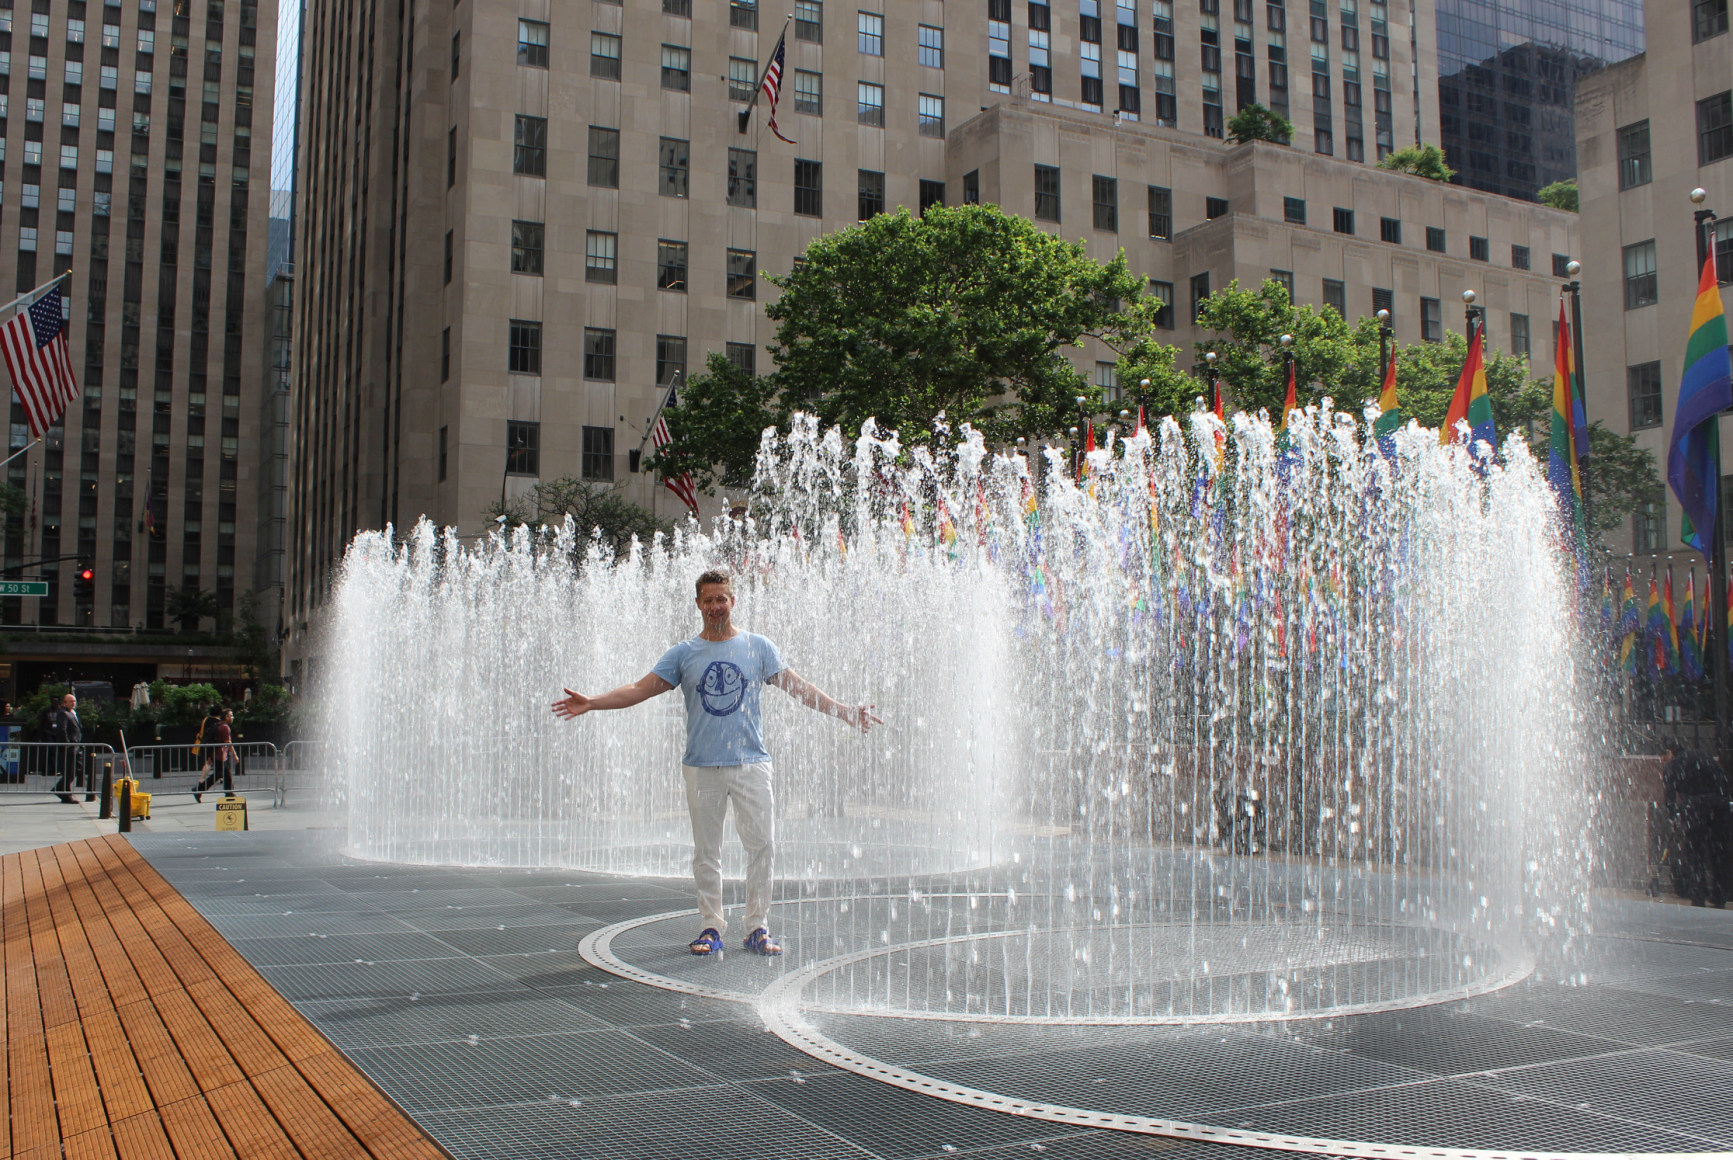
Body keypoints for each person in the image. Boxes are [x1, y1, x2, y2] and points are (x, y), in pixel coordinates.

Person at [552, 568, 881, 957]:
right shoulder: (683, 654)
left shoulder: (758, 647)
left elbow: (799, 687)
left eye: (721, 598)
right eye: (707, 599)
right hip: (702, 766)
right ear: (698, 604)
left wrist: (843, 711)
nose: (714, 606)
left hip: (751, 763)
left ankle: (757, 927)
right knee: (707, 851)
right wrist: (593, 702)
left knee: (763, 846)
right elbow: (640, 689)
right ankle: (711, 926)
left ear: (733, 601)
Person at [1663, 746, 1732, 908]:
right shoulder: (1704, 756)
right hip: (1719, 807)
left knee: (1695, 853)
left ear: (1670, 753)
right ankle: (1719, 895)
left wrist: (1673, 816)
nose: (1663, 760)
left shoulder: (1674, 765)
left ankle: (1699, 895)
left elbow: (1670, 794)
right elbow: (1722, 779)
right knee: (1718, 852)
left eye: (1663, 756)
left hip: (1696, 808)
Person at [192, 708, 236, 803]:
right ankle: (198, 790)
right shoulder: (225, 727)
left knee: (227, 773)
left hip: (220, 753)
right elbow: (228, 742)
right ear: (226, 717)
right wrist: (235, 756)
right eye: (231, 715)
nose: (233, 717)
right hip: (220, 754)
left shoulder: (218, 725)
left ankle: (229, 793)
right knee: (219, 774)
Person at [48, 692, 83, 804]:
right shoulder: (63, 714)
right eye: (70, 701)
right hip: (70, 747)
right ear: (65, 703)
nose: (73, 703)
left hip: (76, 746)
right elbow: (62, 730)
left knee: (76, 769)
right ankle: (66, 794)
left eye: (74, 701)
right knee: (70, 771)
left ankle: (59, 788)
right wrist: (67, 743)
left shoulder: (73, 713)